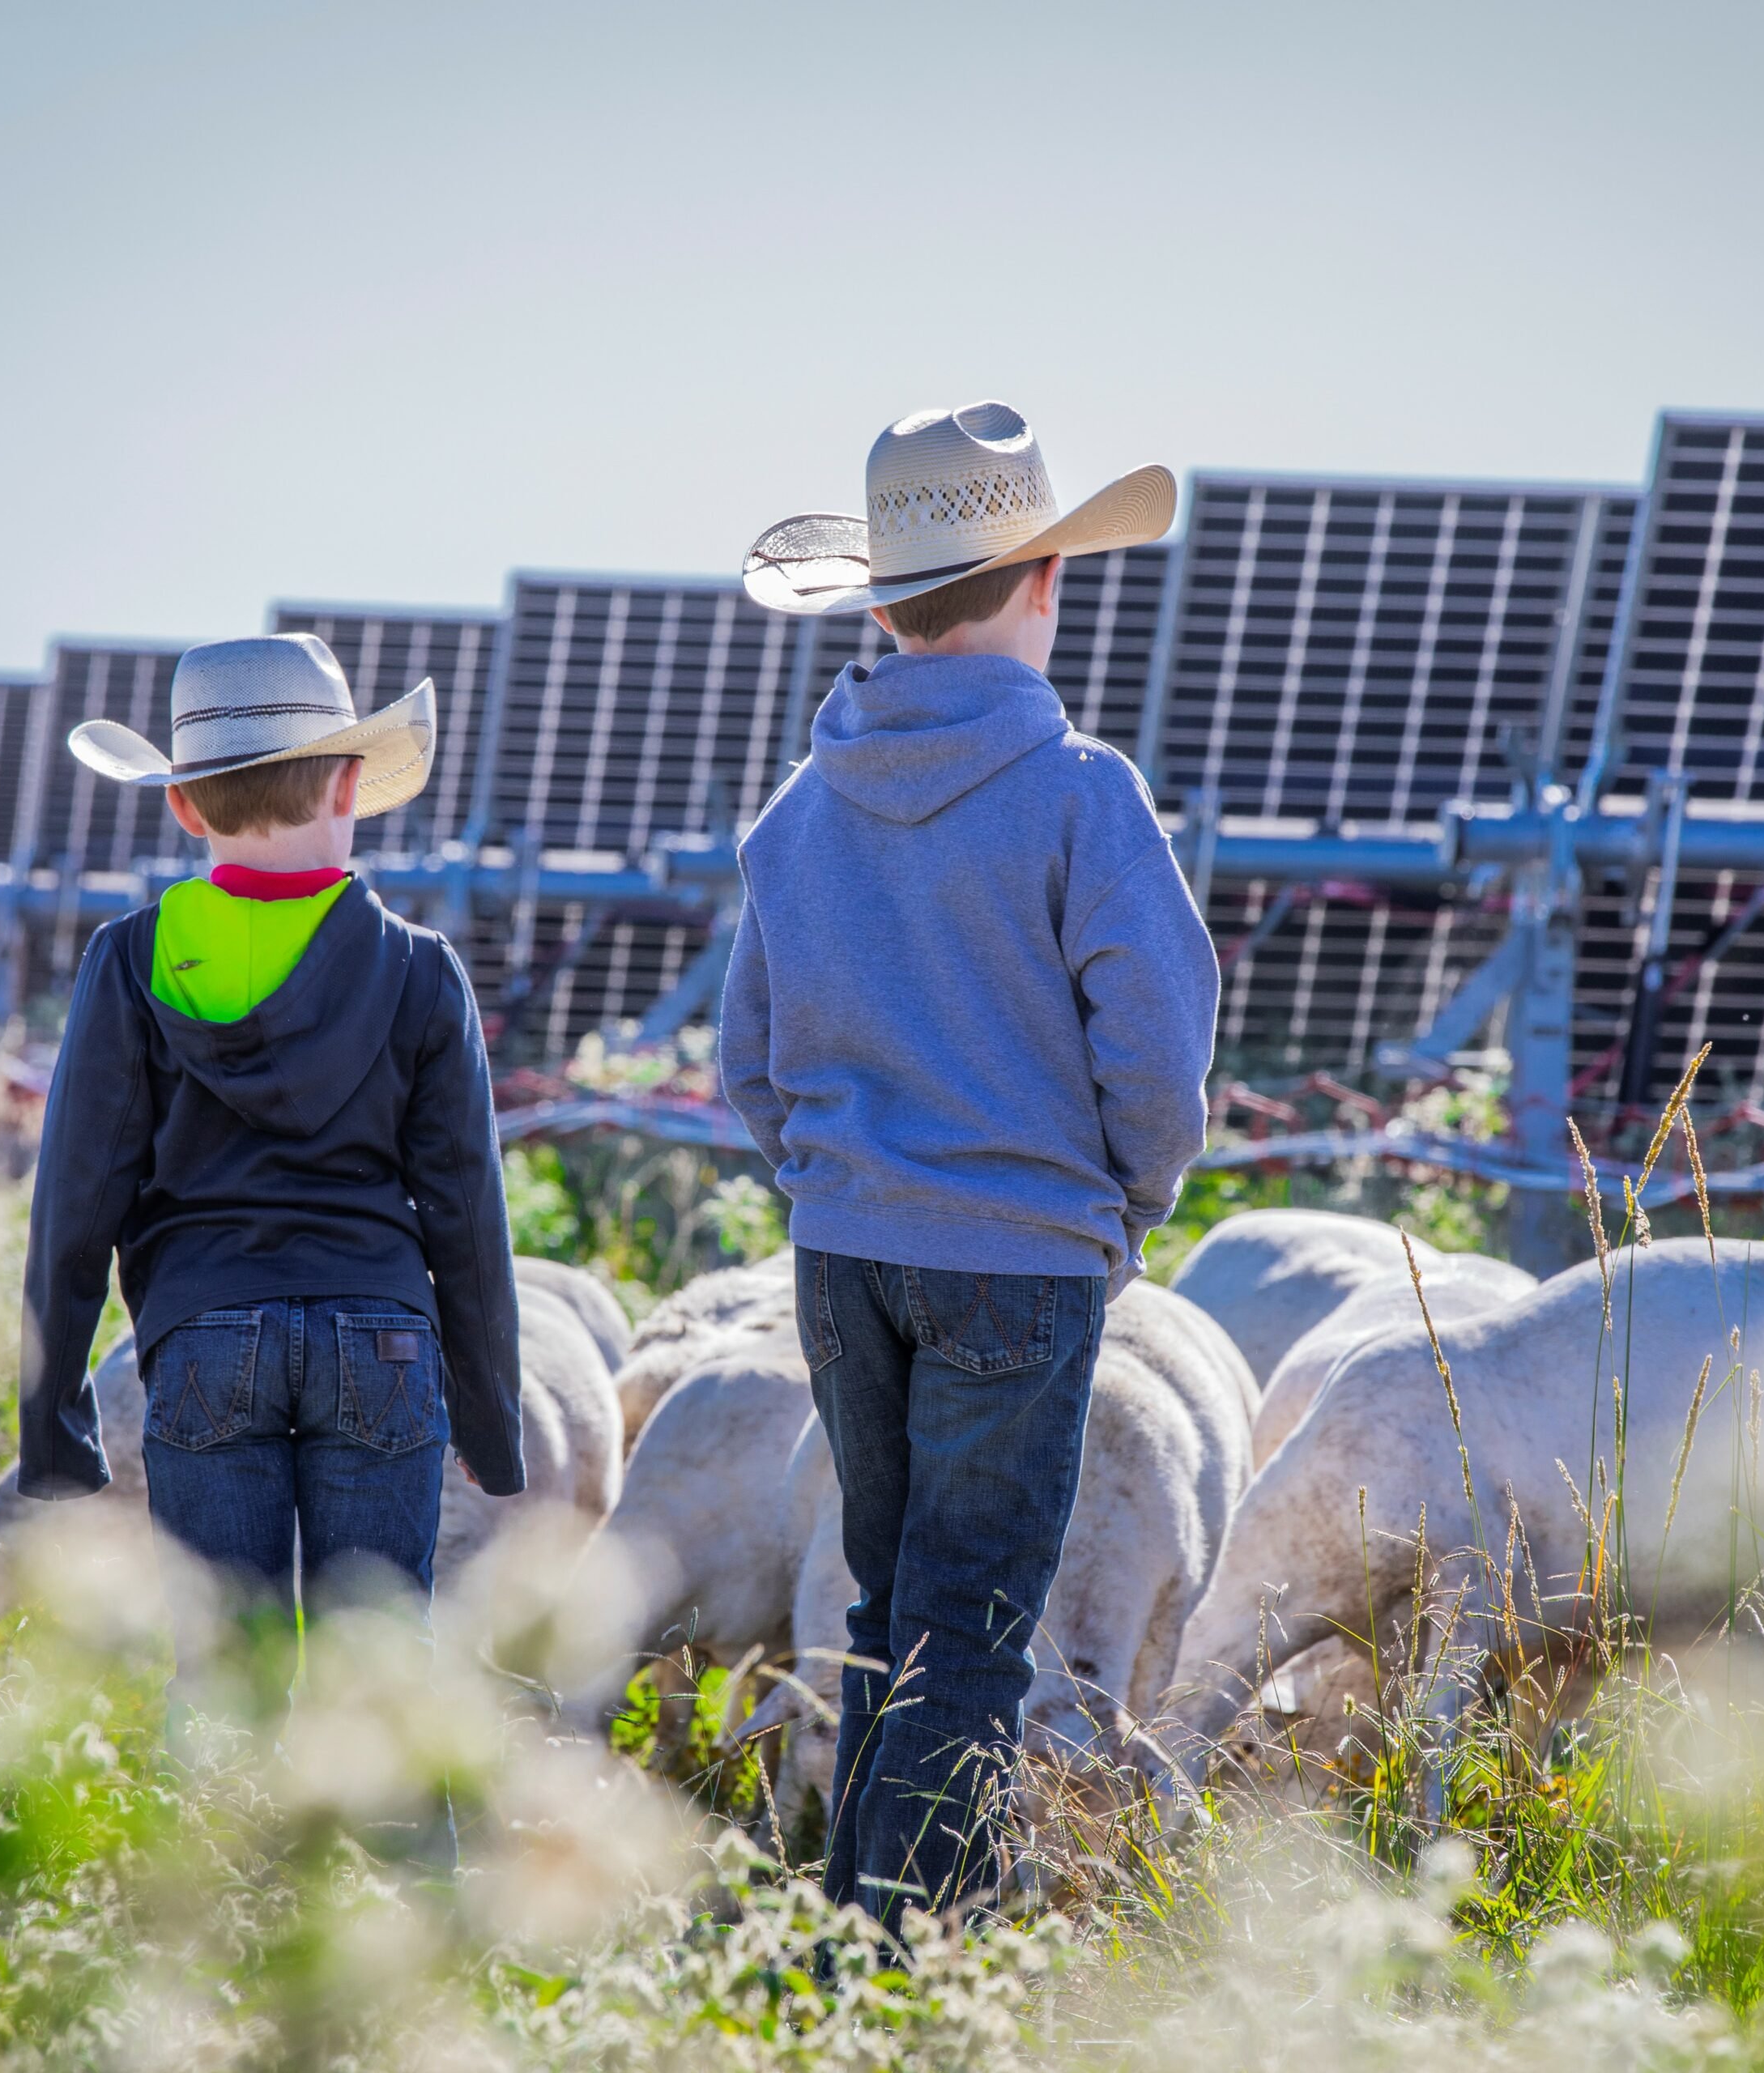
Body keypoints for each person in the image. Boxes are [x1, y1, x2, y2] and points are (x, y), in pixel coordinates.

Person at [724, 402, 1219, 1935]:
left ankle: (847, 1934)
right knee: (973, 1633)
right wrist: (1127, 1204)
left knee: (888, 1614)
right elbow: (1155, 1048)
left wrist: (835, 1184)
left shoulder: (798, 813)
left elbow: (752, 1061)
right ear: (1051, 579)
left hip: (841, 1258)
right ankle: (909, 1961)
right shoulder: (1084, 793)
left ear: (881, 604)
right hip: (1020, 1256)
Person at [17, 633, 522, 1849]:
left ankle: (226, 1985)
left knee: (224, 1688)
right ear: (351, 782)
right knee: (386, 1682)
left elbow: (77, 1195)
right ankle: (421, 1987)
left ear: (183, 804)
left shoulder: (133, 962)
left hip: (200, 1346)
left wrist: (52, 1425)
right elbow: (465, 1210)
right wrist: (490, 1420)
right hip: (383, 1348)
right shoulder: (418, 970)